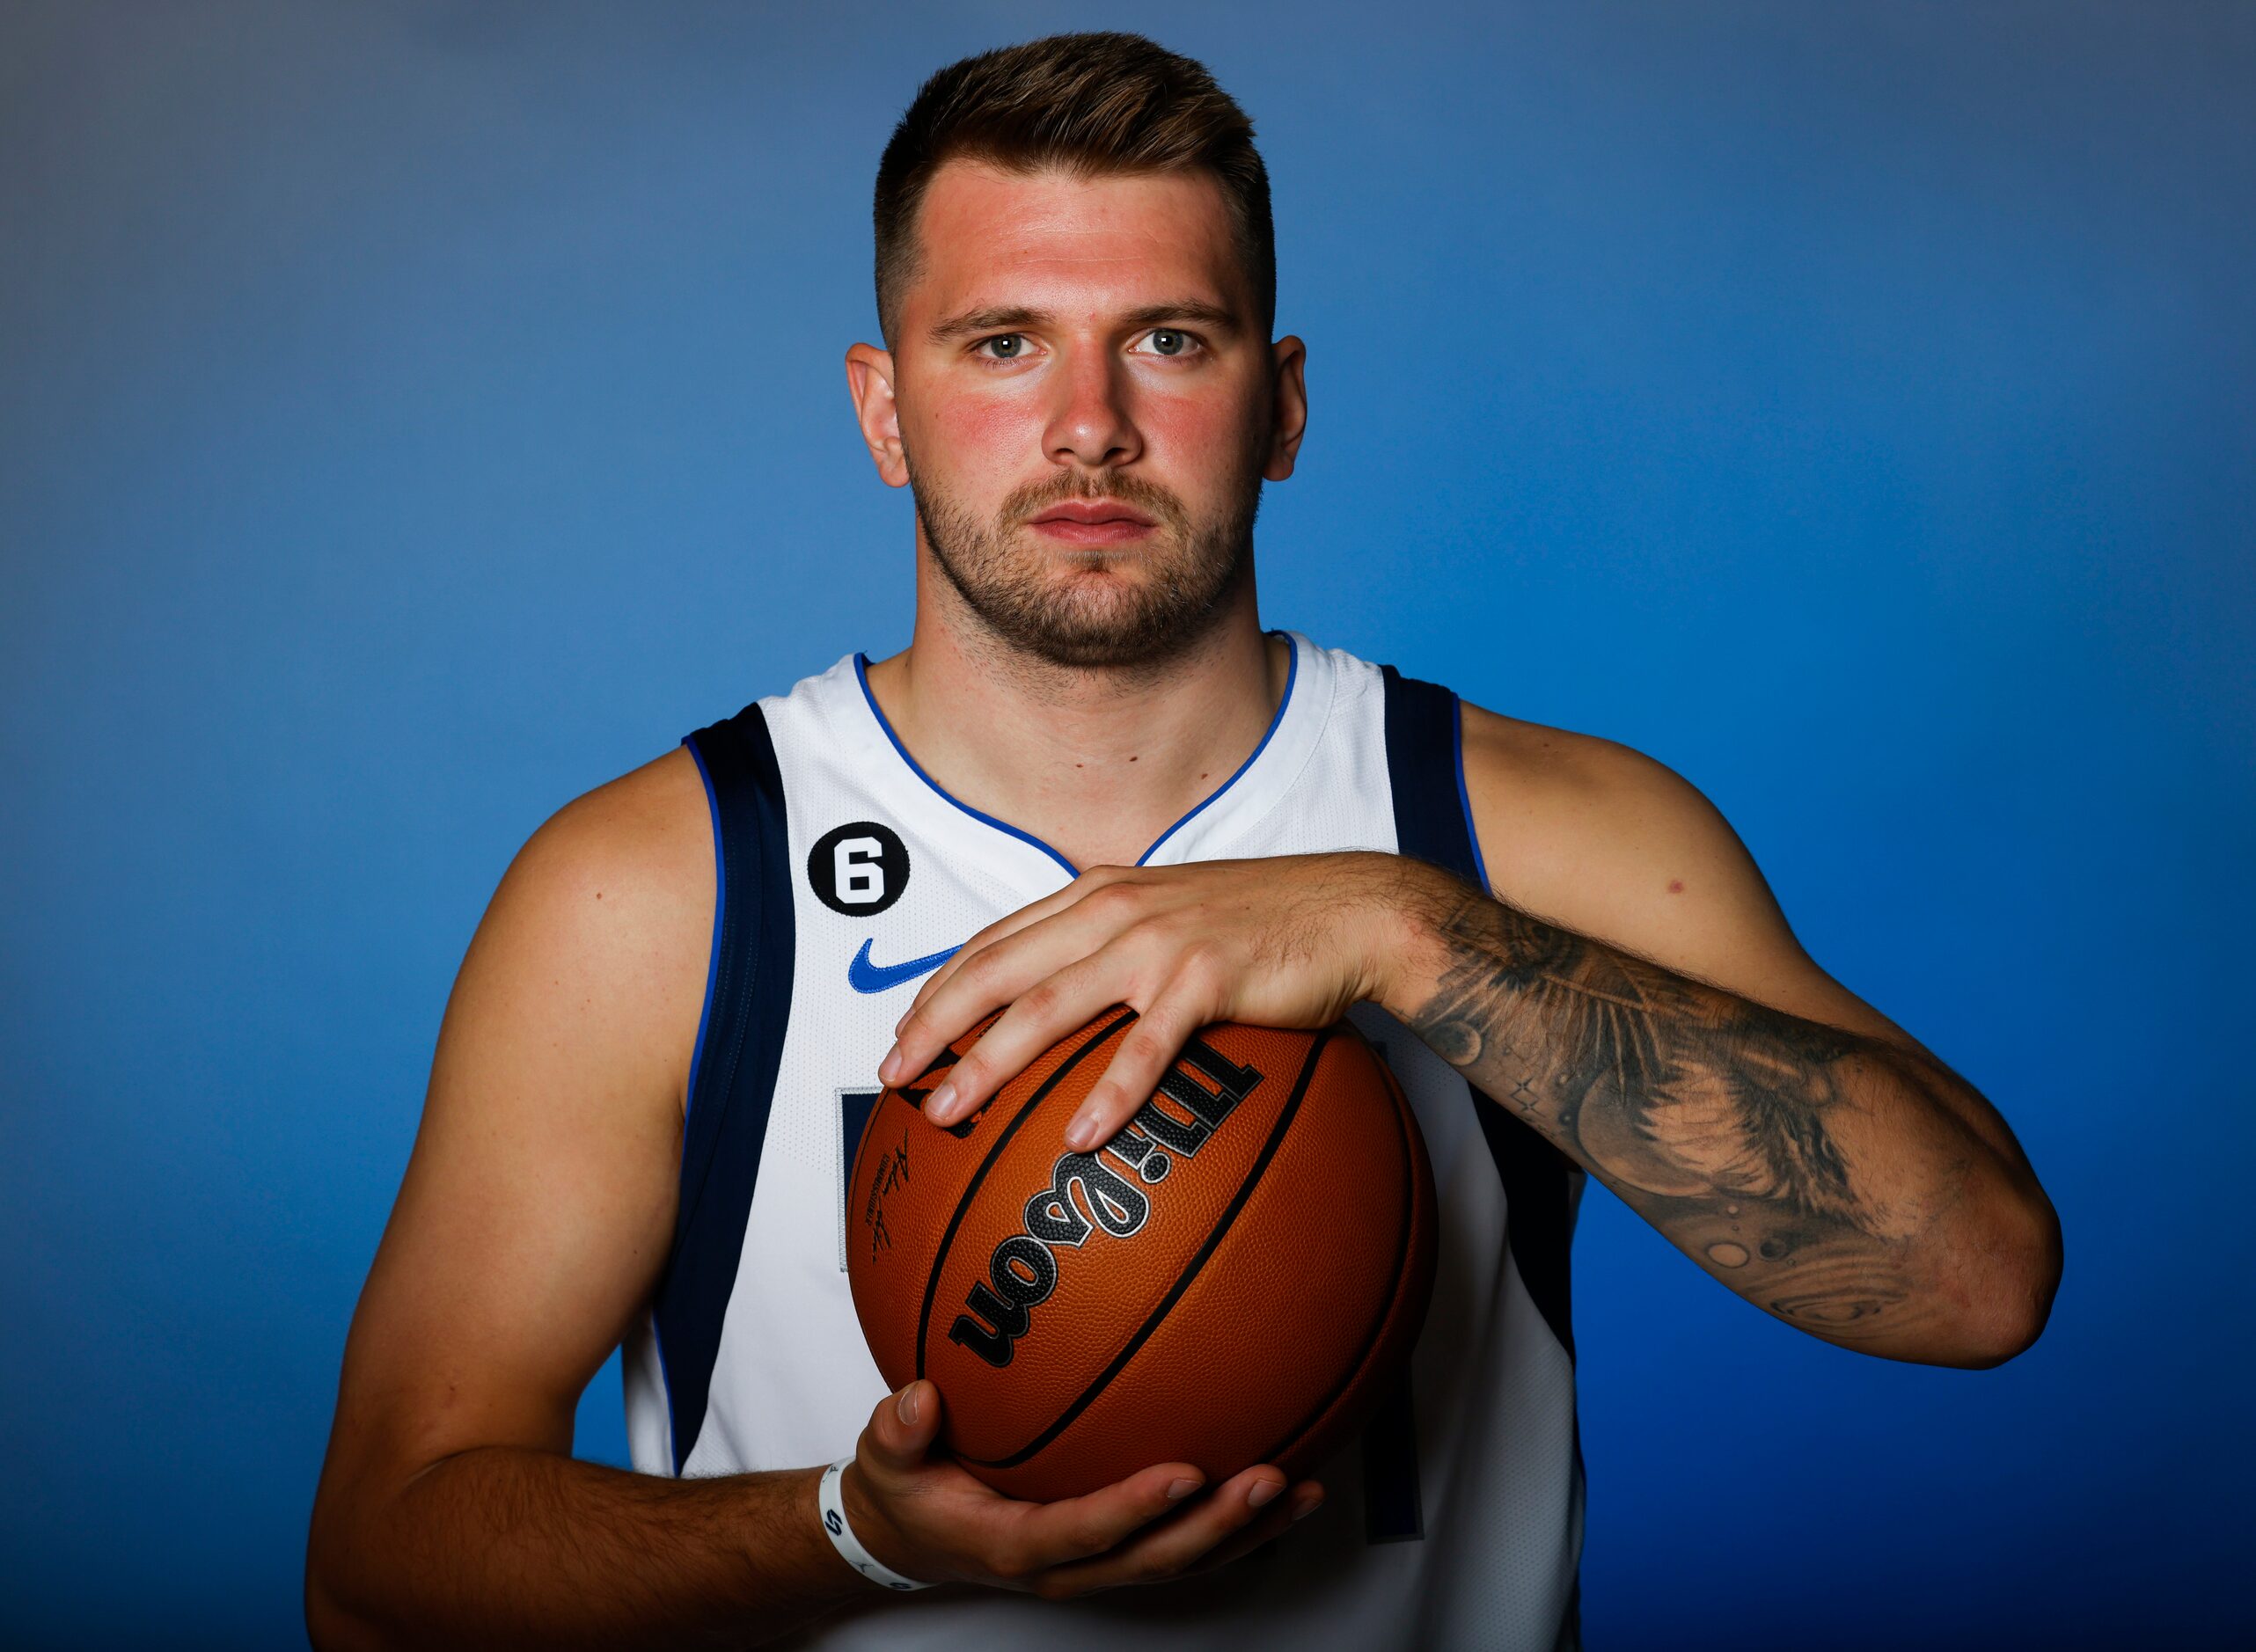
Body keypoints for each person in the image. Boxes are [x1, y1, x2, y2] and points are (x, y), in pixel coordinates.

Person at [305, 31, 2061, 1651]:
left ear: (1279, 402)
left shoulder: (1516, 834)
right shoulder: (660, 890)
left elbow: (1974, 1282)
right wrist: (852, 1530)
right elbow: (381, 1568)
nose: (1089, 421)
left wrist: (1406, 934)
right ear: (883, 407)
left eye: (1169, 337)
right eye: (1003, 344)